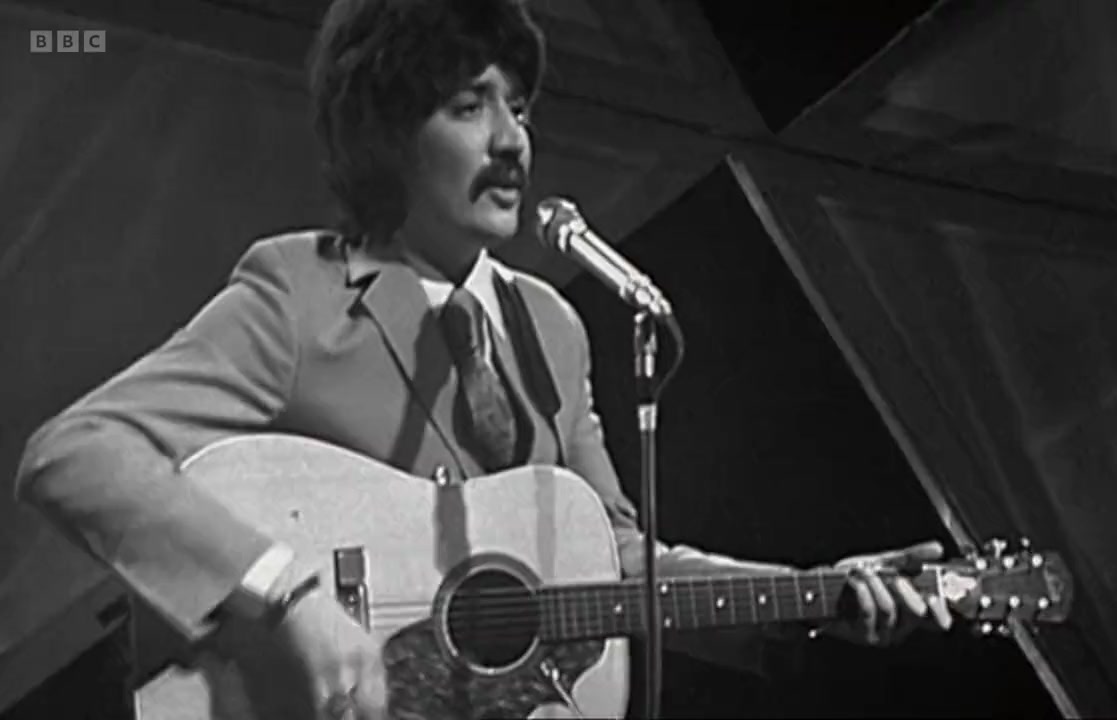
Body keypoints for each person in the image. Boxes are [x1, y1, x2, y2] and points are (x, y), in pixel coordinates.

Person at [14, 0, 952, 718]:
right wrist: (287, 596)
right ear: (387, 134)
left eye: (521, 108)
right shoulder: (301, 293)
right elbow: (75, 453)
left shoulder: (552, 328)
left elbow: (614, 560)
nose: (511, 140)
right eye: (469, 106)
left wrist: (805, 596)